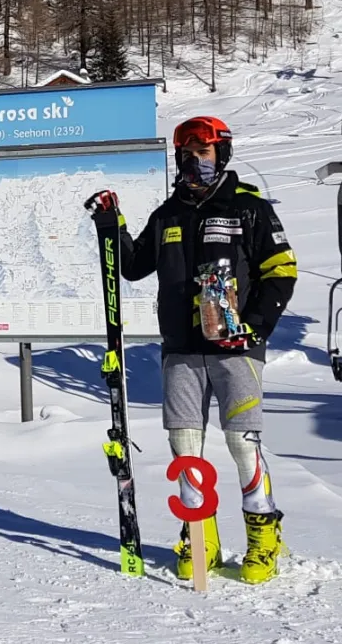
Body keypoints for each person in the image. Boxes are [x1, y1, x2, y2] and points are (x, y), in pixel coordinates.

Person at [91, 116, 296, 584]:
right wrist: (111, 224)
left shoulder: (248, 209)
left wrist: (255, 326)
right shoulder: (168, 213)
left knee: (242, 443)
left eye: (202, 152)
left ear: (221, 153)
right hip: (181, 349)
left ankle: (263, 535)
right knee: (185, 446)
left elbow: (281, 270)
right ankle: (200, 535)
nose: (192, 162)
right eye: (185, 154)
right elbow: (133, 265)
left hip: (235, 351)